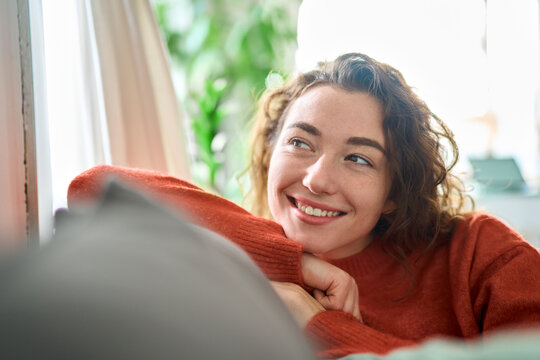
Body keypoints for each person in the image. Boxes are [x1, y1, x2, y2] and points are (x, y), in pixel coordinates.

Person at [67, 53, 540, 358]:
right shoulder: (234, 246)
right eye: (300, 142)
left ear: (394, 191)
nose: (316, 179)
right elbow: (93, 190)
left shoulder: (478, 253)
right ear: (271, 152)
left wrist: (321, 326)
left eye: (358, 158)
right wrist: (292, 261)